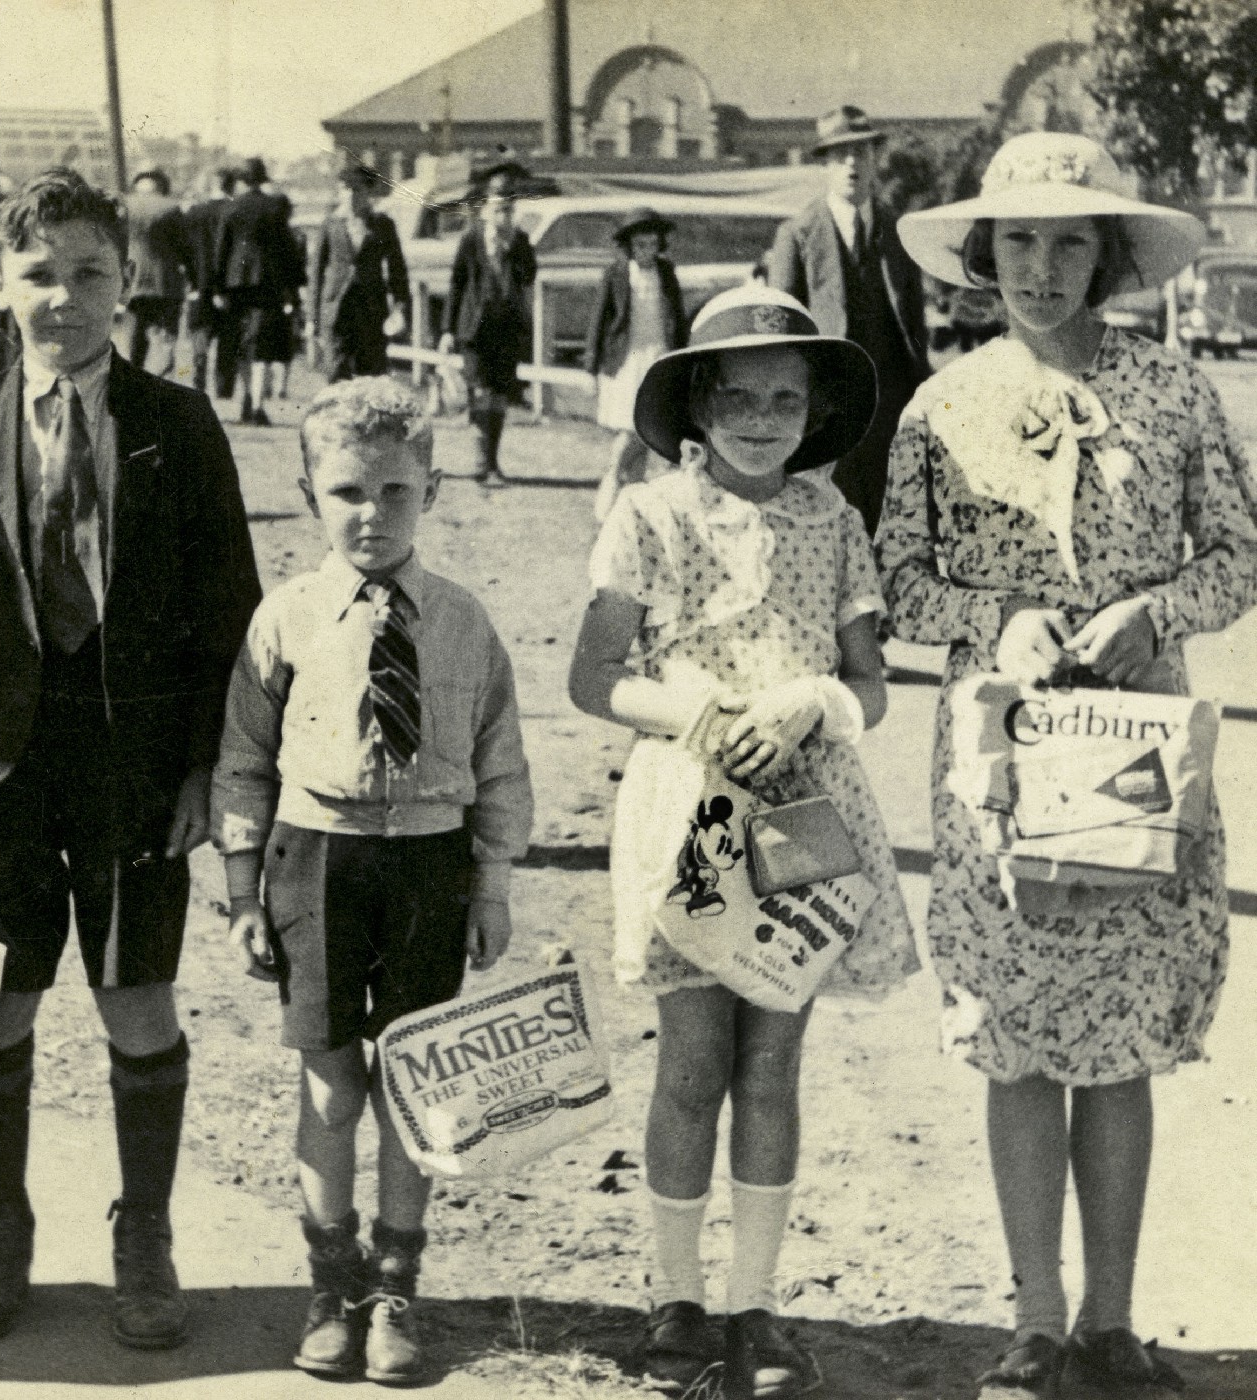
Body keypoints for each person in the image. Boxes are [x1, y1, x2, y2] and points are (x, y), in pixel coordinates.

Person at [877, 131, 1257, 1399]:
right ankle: (1031, 1319)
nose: (1040, 268)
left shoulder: (1171, 389)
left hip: (1137, 750)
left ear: (1107, 256)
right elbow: (899, 579)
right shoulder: (940, 402)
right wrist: (998, 617)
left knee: (1119, 1039)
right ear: (983, 255)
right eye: (1019, 241)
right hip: (997, 756)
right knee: (1017, 1035)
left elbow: (1238, 557)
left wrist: (1151, 609)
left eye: (1067, 242)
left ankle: (1110, 1317)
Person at [0, 167, 262, 1350]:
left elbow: (229, 613)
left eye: (90, 273)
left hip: (138, 769)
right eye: (38, 275)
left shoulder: (179, 425)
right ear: (0, 288)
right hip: (0, 765)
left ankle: (142, 1230)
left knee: (136, 997)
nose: (65, 297)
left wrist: (209, 767)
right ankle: (1, 1224)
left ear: (129, 283)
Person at [568, 284, 918, 1399]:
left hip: (804, 813)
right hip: (687, 809)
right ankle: (674, 1296)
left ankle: (753, 1302)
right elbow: (592, 675)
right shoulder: (649, 514)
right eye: (738, 395)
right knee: (690, 1063)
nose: (761, 417)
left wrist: (814, 697)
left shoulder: (832, 521)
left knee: (771, 1063)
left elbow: (871, 683)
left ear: (812, 410)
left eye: (783, 396)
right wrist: (695, 714)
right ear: (695, 401)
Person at [211, 377, 533, 1384]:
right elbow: (242, 760)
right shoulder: (288, 616)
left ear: (429, 489)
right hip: (316, 856)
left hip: (429, 859)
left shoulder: (463, 621)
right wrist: (238, 889)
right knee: (329, 1078)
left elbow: (499, 757)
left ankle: (396, 1284)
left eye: (394, 491)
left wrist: (490, 883)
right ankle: (330, 1278)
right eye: (347, 490)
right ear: (310, 491)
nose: (371, 514)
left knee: (412, 1079)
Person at [766, 105, 930, 535]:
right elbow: (778, 335)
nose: (853, 164)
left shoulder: (900, 232)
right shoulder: (798, 236)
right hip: (827, 412)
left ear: (877, 158)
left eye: (861, 152)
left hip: (891, 410)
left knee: (892, 526)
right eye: (840, 155)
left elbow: (915, 328)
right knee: (825, 522)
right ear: (824, 164)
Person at [584, 207, 688, 522]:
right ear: (629, 245)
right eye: (640, 245)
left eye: (652, 245)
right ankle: (613, 476)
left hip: (658, 357)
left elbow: (677, 318)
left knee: (648, 430)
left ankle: (631, 505)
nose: (646, 252)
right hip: (626, 360)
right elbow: (598, 322)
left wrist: (681, 358)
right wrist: (591, 367)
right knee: (630, 429)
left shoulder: (666, 273)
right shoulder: (615, 274)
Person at [439, 167, 537, 484]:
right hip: (474, 331)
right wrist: (447, 330)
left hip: (505, 331)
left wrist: (510, 251)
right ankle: (481, 461)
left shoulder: (520, 242)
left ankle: (493, 461)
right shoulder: (471, 241)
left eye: (509, 209)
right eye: (498, 209)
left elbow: (529, 277)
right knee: (479, 392)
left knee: (498, 396)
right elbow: (456, 285)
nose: (503, 215)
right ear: (485, 209)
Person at [215, 155, 305, 425]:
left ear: (241, 180)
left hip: (235, 283)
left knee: (241, 342)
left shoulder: (231, 209)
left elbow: (221, 250)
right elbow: (288, 250)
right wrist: (294, 287)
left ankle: (247, 398)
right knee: (262, 344)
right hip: (268, 282)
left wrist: (217, 288)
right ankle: (256, 403)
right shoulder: (274, 207)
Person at [313, 163, 410, 383]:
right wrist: (313, 317)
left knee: (371, 375)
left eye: (356, 190)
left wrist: (400, 306)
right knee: (336, 372)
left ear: (368, 193)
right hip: (335, 310)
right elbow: (316, 272)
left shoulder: (383, 225)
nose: (350, 196)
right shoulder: (330, 224)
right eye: (345, 189)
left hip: (371, 310)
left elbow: (397, 270)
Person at [120, 167, 191, 377]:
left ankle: (133, 382)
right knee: (166, 340)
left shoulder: (124, 207)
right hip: (166, 282)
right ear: (161, 184)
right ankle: (159, 383)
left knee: (134, 340)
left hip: (133, 281)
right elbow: (185, 247)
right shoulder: (172, 207)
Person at [183, 165, 239, 398]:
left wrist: (191, 281)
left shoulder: (195, 212)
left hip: (199, 283)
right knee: (228, 339)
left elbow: (185, 250)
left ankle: (198, 381)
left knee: (200, 335)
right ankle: (224, 389)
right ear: (232, 185)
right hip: (229, 285)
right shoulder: (235, 211)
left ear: (212, 184)